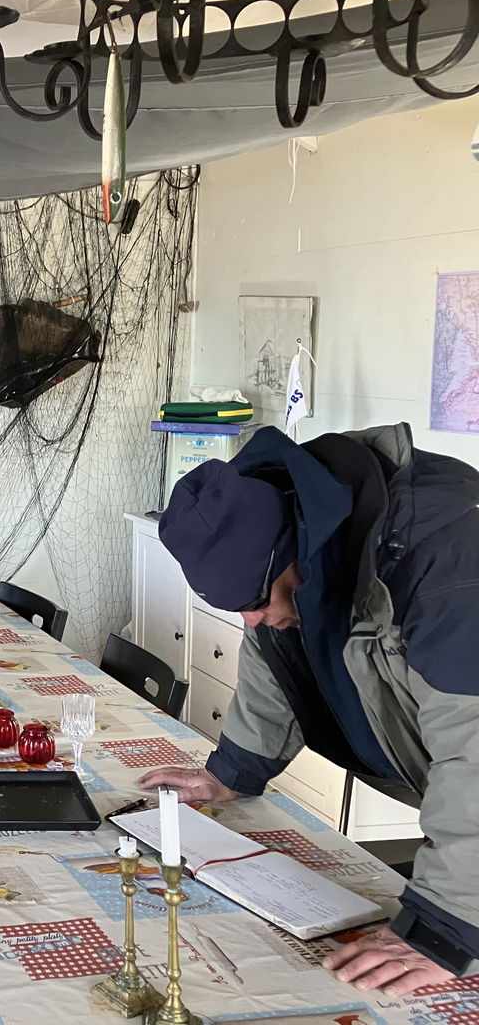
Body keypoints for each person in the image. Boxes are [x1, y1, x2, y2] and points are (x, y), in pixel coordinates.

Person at [140, 423, 479, 994]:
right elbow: (277, 661)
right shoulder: (300, 532)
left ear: (296, 549)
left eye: (256, 600)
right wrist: (233, 773)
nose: (251, 619)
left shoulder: (446, 564)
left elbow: (475, 749)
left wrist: (445, 930)